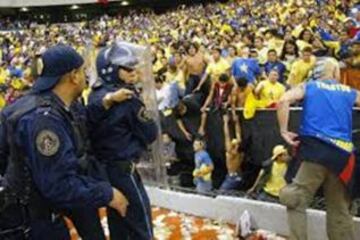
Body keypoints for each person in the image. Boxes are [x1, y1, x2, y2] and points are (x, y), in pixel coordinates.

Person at [0, 44, 129, 240]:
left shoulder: (61, 105)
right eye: (83, 71)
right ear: (74, 76)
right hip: (37, 215)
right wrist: (107, 194)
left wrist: (107, 101)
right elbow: (58, 185)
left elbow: (81, 120)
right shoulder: (44, 121)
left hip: (60, 195)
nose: (86, 76)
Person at [277, 58, 360, 240]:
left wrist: (284, 131)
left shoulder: (310, 87)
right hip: (343, 158)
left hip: (315, 153)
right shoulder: (349, 91)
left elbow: (283, 100)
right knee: (339, 210)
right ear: (335, 72)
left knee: (295, 199)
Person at [88, 42, 158, 240]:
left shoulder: (97, 94)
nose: (132, 71)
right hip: (124, 169)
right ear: (111, 70)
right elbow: (150, 133)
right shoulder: (128, 99)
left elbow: (92, 111)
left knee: (118, 219)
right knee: (139, 220)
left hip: (105, 170)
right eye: (126, 68)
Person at [219, 112, 243, 191]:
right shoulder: (238, 151)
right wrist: (237, 122)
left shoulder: (231, 152)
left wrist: (225, 122)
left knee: (221, 192)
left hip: (232, 176)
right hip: (238, 175)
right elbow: (238, 134)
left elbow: (226, 135)